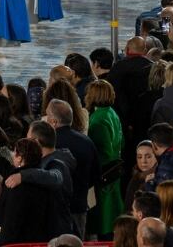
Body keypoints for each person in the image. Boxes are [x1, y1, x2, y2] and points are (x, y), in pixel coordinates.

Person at [0, 138, 67, 246]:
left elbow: (11, 222)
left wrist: (1, 242)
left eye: (14, 152)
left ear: (20, 158)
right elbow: (4, 167)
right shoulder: (42, 179)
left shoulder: (15, 183)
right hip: (39, 240)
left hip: (16, 243)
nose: (12, 154)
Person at [48, 99, 101, 237]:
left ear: (53, 121)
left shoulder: (49, 144)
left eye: (47, 116)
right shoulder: (86, 141)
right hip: (80, 204)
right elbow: (96, 174)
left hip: (55, 208)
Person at [86, 80, 126, 237]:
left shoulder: (97, 120)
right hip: (114, 172)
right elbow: (121, 142)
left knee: (104, 219)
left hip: (104, 177)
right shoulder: (111, 113)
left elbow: (103, 152)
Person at [124, 141, 158, 206]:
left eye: (148, 157)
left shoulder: (160, 177)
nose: (143, 161)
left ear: (156, 157)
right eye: (139, 157)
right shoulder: (135, 177)